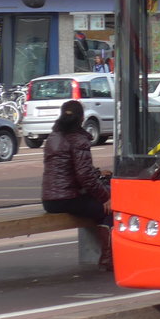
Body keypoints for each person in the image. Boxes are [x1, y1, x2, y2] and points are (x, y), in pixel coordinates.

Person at [41, 99, 113, 270]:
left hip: (50, 200)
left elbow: (67, 169)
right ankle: (108, 258)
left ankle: (107, 255)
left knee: (101, 200)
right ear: (81, 118)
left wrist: (96, 173)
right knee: (112, 206)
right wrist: (106, 197)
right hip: (68, 198)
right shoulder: (79, 139)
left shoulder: (53, 137)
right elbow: (84, 177)